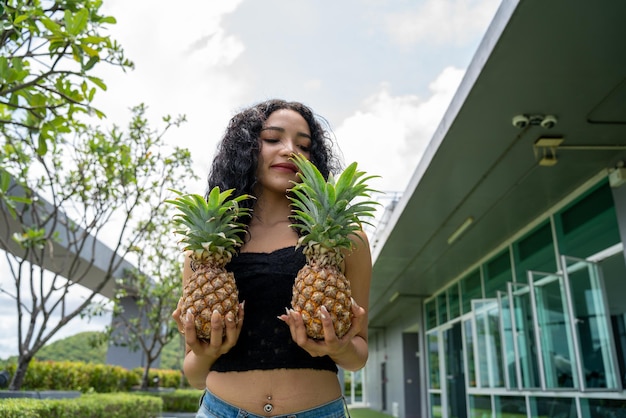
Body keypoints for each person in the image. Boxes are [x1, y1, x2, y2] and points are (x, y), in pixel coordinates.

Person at [172, 99, 372, 418]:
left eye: (303, 145)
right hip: (220, 410)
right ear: (248, 147)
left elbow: (358, 356)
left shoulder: (344, 238)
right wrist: (207, 352)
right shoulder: (209, 246)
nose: (289, 150)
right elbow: (194, 375)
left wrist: (340, 347)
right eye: (272, 139)